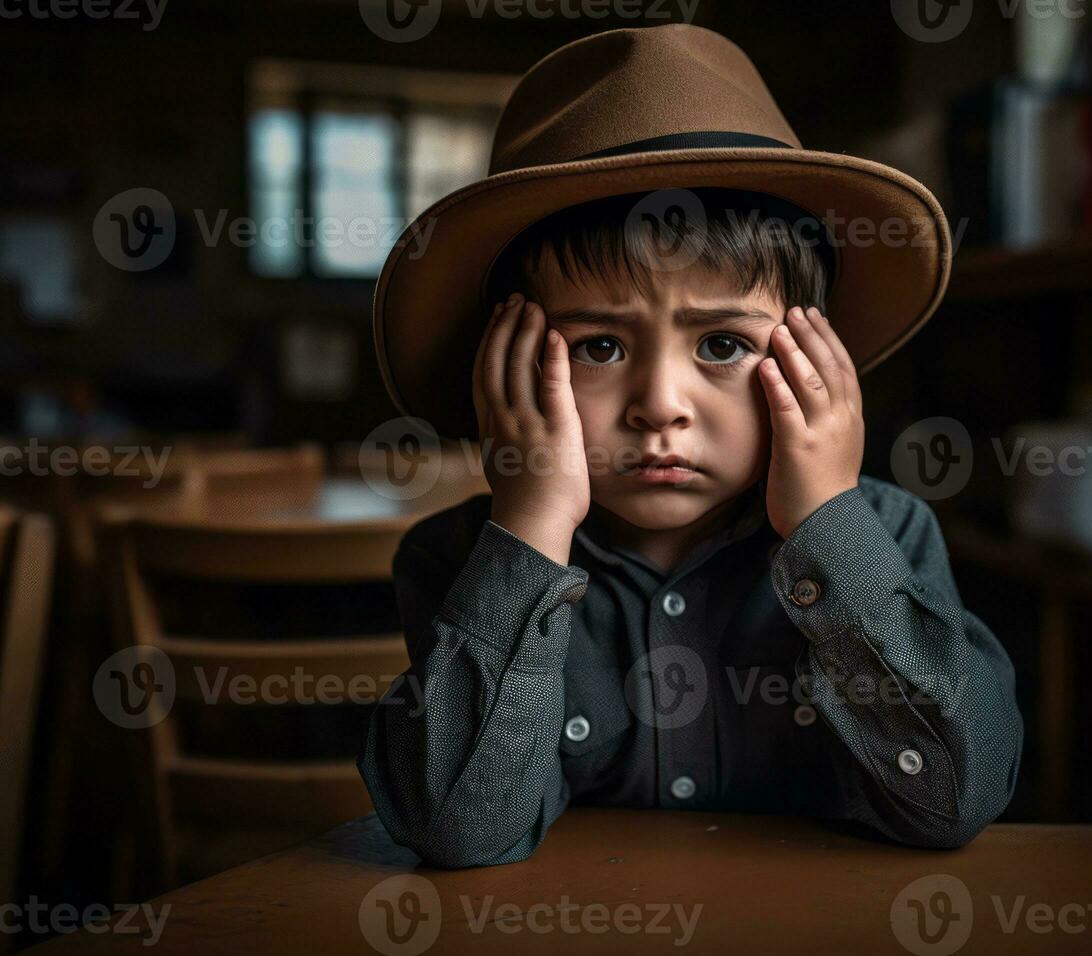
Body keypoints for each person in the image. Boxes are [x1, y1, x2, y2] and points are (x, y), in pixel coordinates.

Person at [358, 23, 1023, 868]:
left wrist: (826, 519)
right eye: (598, 346)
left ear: (814, 363)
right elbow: (456, 829)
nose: (660, 407)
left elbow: (956, 800)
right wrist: (529, 526)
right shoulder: (463, 559)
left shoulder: (884, 538)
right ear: (512, 369)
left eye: (721, 345)